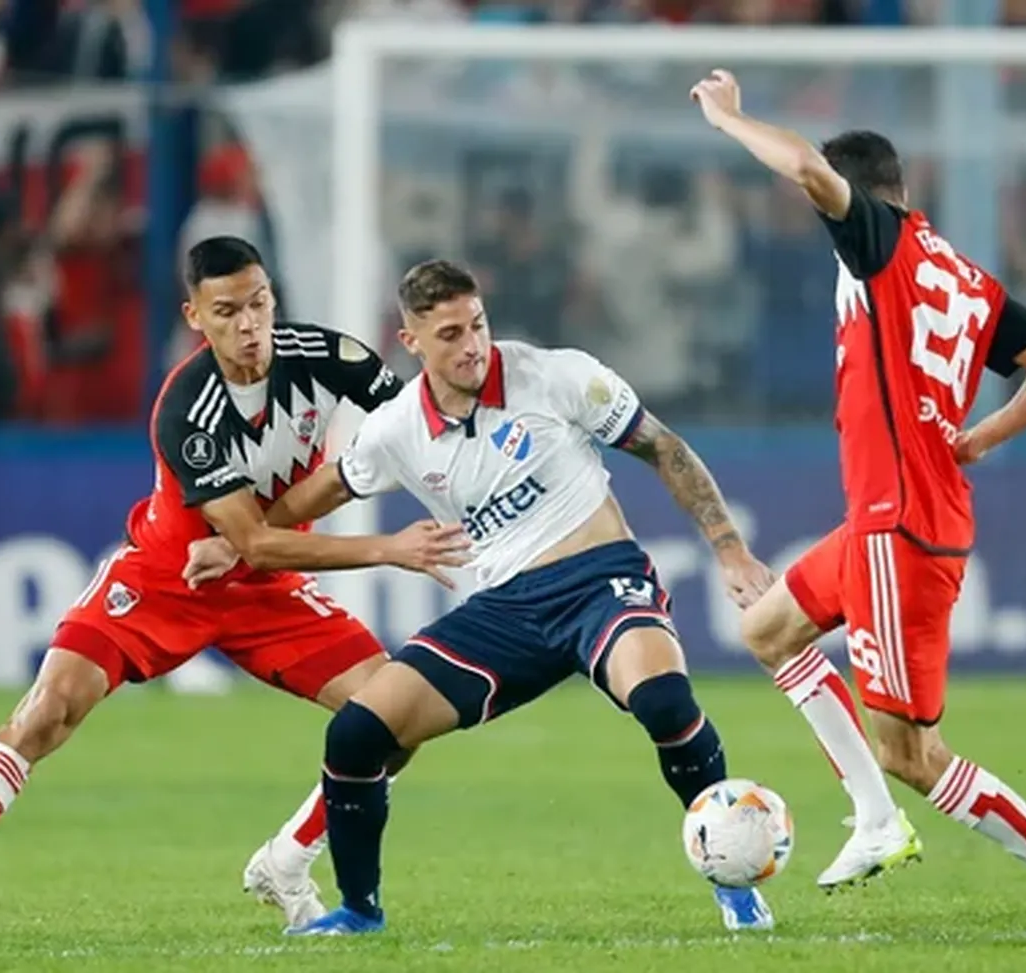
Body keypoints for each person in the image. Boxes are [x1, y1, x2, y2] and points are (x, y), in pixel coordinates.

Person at [0, 237, 470, 940]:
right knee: (46, 712)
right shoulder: (186, 409)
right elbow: (247, 540)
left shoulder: (327, 357)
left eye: (259, 303)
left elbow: (417, 424)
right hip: (165, 579)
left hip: (264, 589)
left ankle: (285, 861)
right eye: (227, 311)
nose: (249, 324)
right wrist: (387, 548)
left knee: (397, 717)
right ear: (195, 316)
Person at [186, 258, 780, 936]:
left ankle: (732, 880)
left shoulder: (555, 376)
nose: (471, 345)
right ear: (411, 342)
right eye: (448, 334)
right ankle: (359, 910)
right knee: (356, 733)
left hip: (600, 581)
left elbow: (664, 447)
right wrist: (240, 540)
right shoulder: (396, 428)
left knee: (664, 700)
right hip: (507, 611)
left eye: (477, 325)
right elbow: (324, 487)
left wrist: (728, 546)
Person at [689, 70, 1026, 939]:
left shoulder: (879, 244)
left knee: (911, 752)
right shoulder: (965, 276)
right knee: (767, 629)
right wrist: (980, 437)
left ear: (860, 195)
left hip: (903, 529)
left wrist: (730, 117)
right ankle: (875, 820)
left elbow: (808, 172)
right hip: (885, 519)